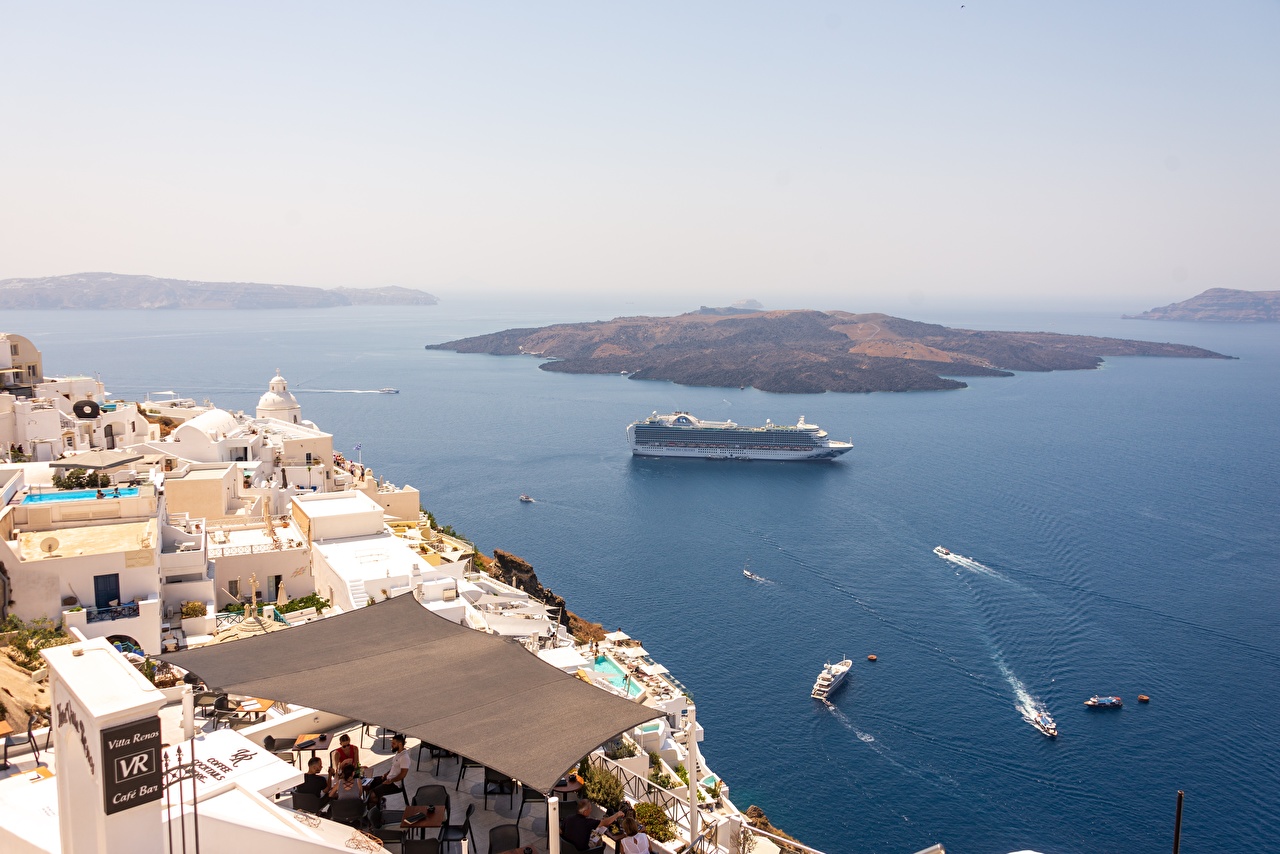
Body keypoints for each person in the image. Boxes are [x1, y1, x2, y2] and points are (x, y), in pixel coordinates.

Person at [366, 733, 410, 808]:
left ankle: (377, 809)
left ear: (399, 744)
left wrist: (391, 781)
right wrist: (386, 774)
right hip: (388, 778)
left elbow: (403, 774)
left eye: (393, 743)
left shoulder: (404, 758)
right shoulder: (398, 753)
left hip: (395, 784)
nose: (391, 745)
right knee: (369, 784)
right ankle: (378, 802)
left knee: (372, 795)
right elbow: (394, 767)